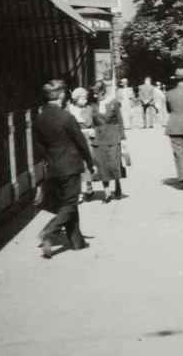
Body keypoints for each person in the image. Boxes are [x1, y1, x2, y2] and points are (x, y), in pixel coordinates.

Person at [33, 80, 95, 259]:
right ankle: (49, 230)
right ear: (61, 95)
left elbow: (39, 147)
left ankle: (77, 242)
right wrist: (90, 162)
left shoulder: (39, 119)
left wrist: (50, 160)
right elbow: (80, 142)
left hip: (53, 167)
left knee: (67, 202)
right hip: (70, 166)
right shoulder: (66, 117)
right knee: (70, 203)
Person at [91, 80, 126, 203]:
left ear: (103, 91)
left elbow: (120, 121)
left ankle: (117, 183)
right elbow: (89, 120)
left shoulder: (113, 103)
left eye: (97, 94)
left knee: (114, 163)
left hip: (113, 136)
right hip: (98, 138)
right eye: (94, 94)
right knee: (102, 165)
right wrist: (90, 129)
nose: (95, 96)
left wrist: (123, 138)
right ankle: (107, 193)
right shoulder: (92, 104)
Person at [67, 87, 96, 203]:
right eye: (83, 98)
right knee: (75, 165)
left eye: (86, 98)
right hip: (73, 139)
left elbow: (93, 122)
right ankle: (78, 193)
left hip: (87, 137)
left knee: (88, 162)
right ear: (76, 98)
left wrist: (93, 129)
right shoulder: (68, 108)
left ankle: (89, 187)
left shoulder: (88, 108)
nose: (85, 100)